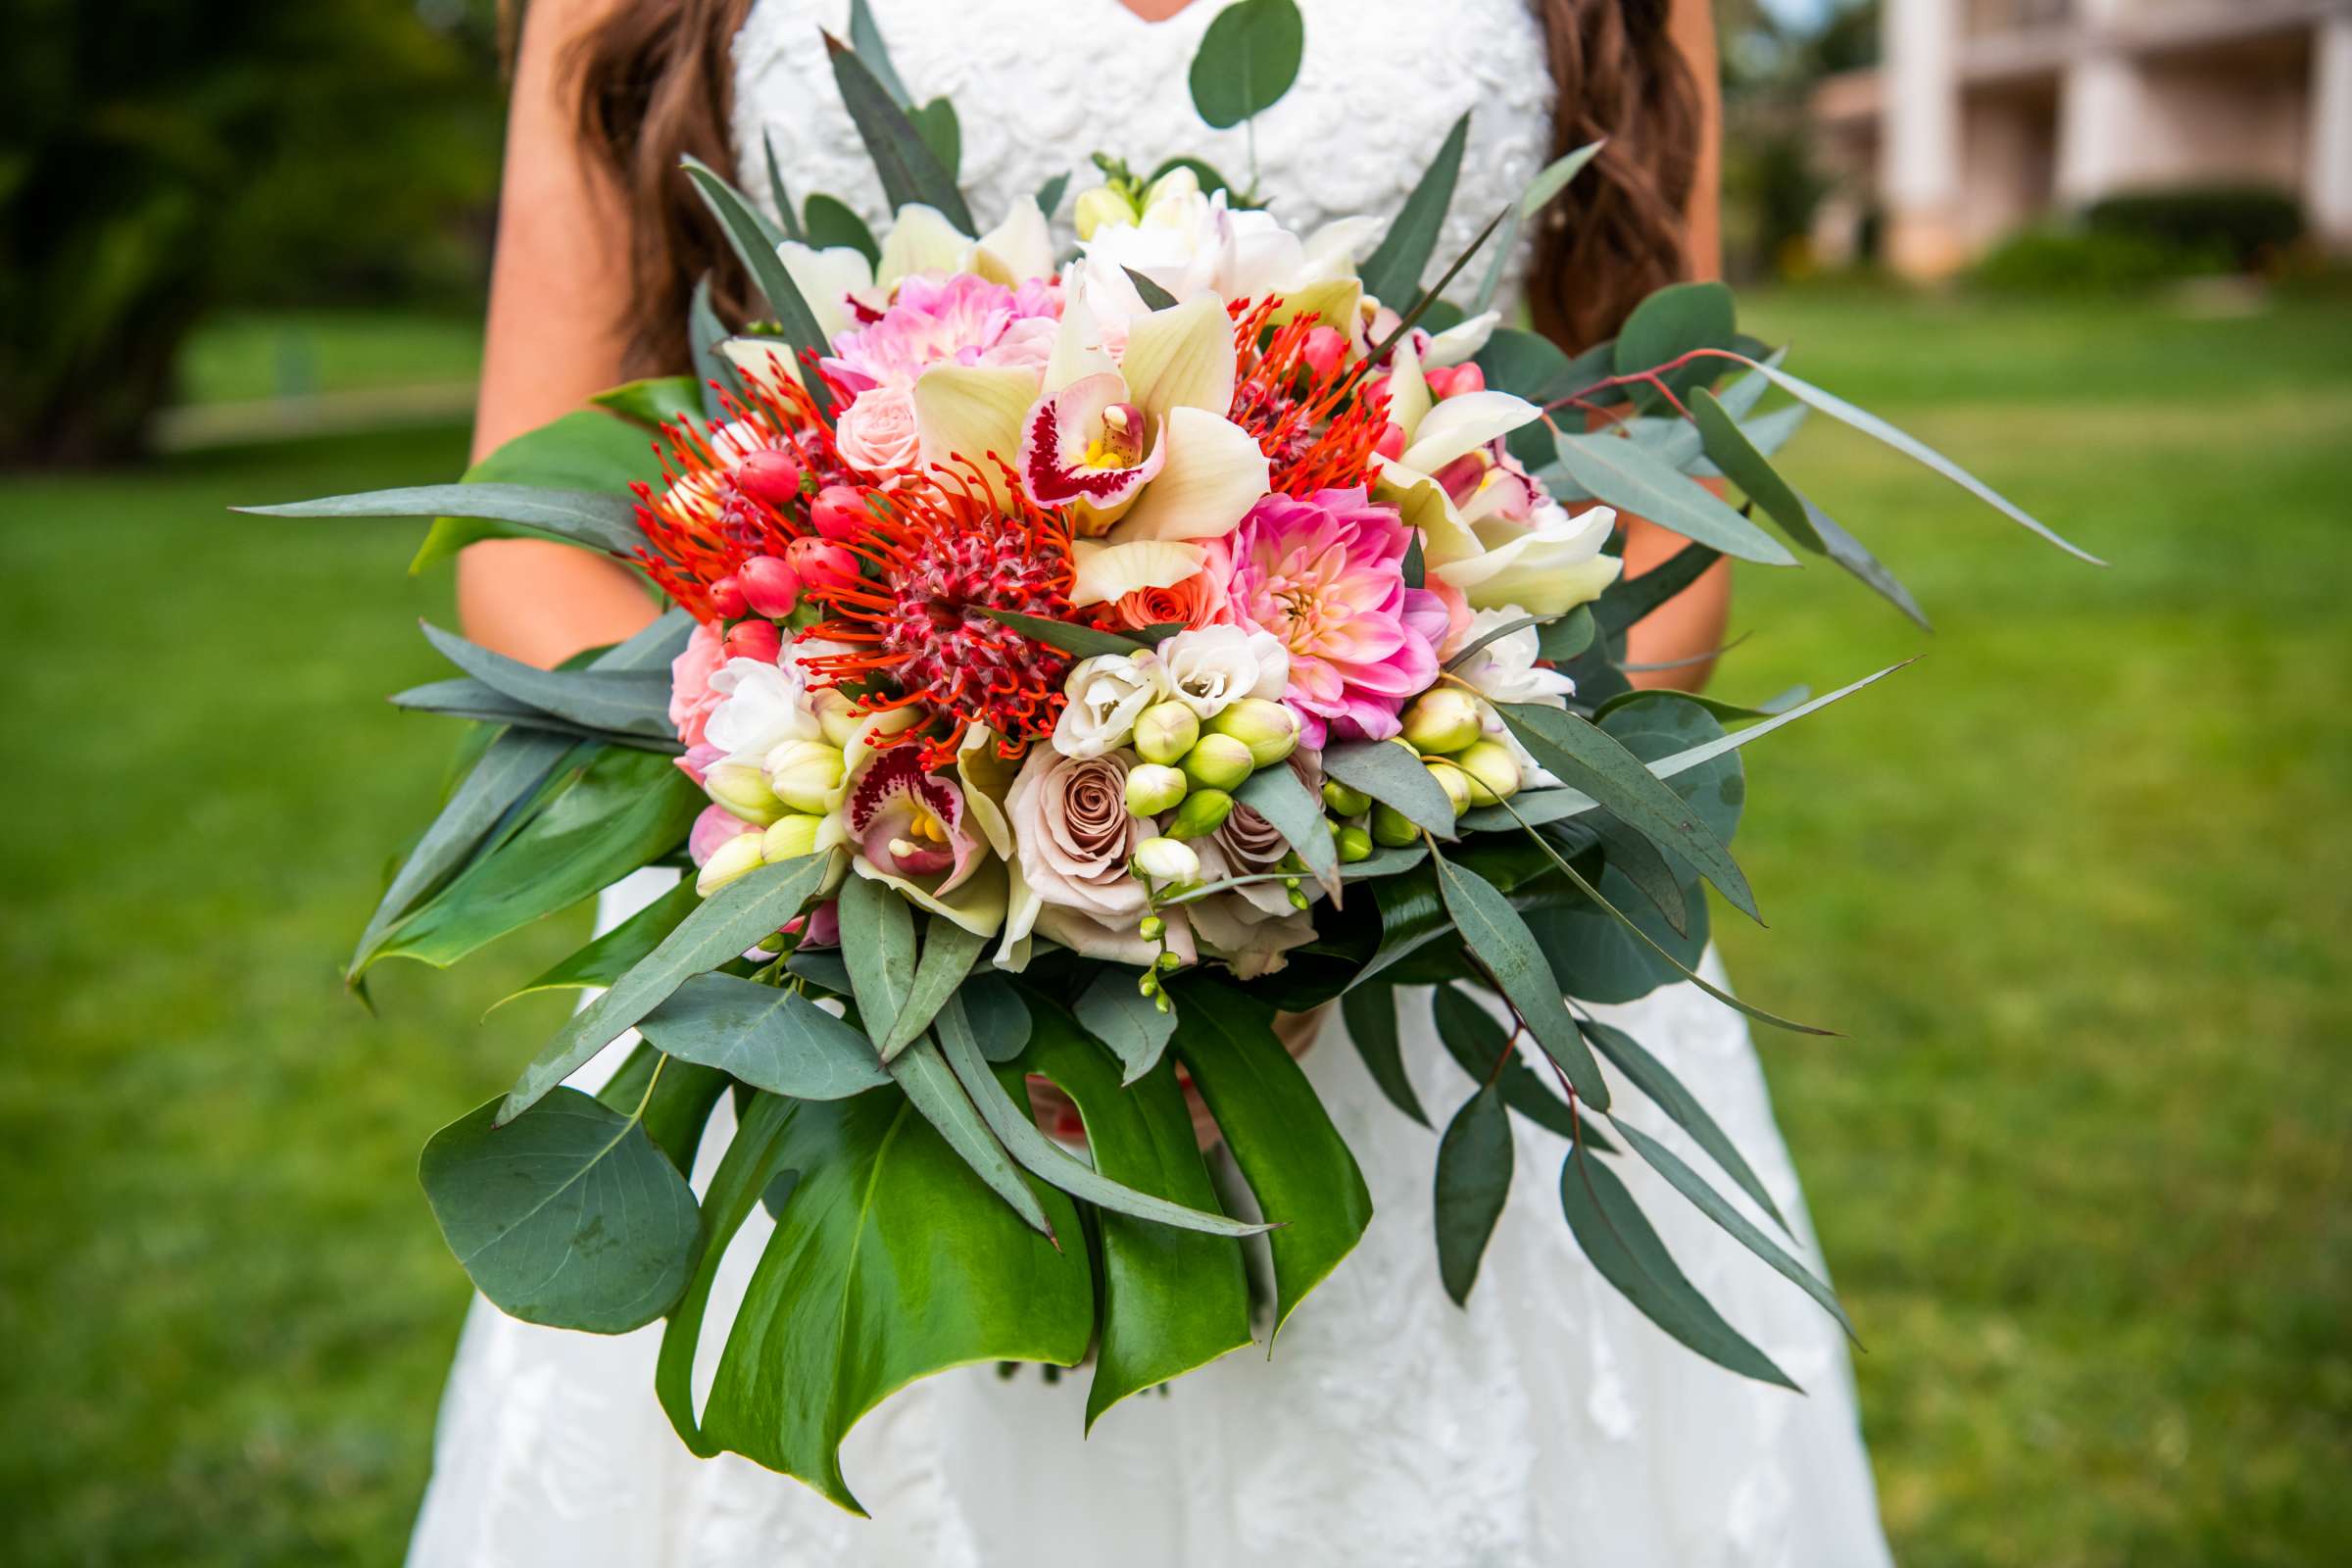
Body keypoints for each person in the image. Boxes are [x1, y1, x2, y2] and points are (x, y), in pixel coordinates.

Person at [415, 2, 1895, 1563]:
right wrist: (912, 863)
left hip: (1433, 941)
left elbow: (1660, 522)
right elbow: (528, 522)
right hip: (848, 893)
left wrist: (1342, 890)